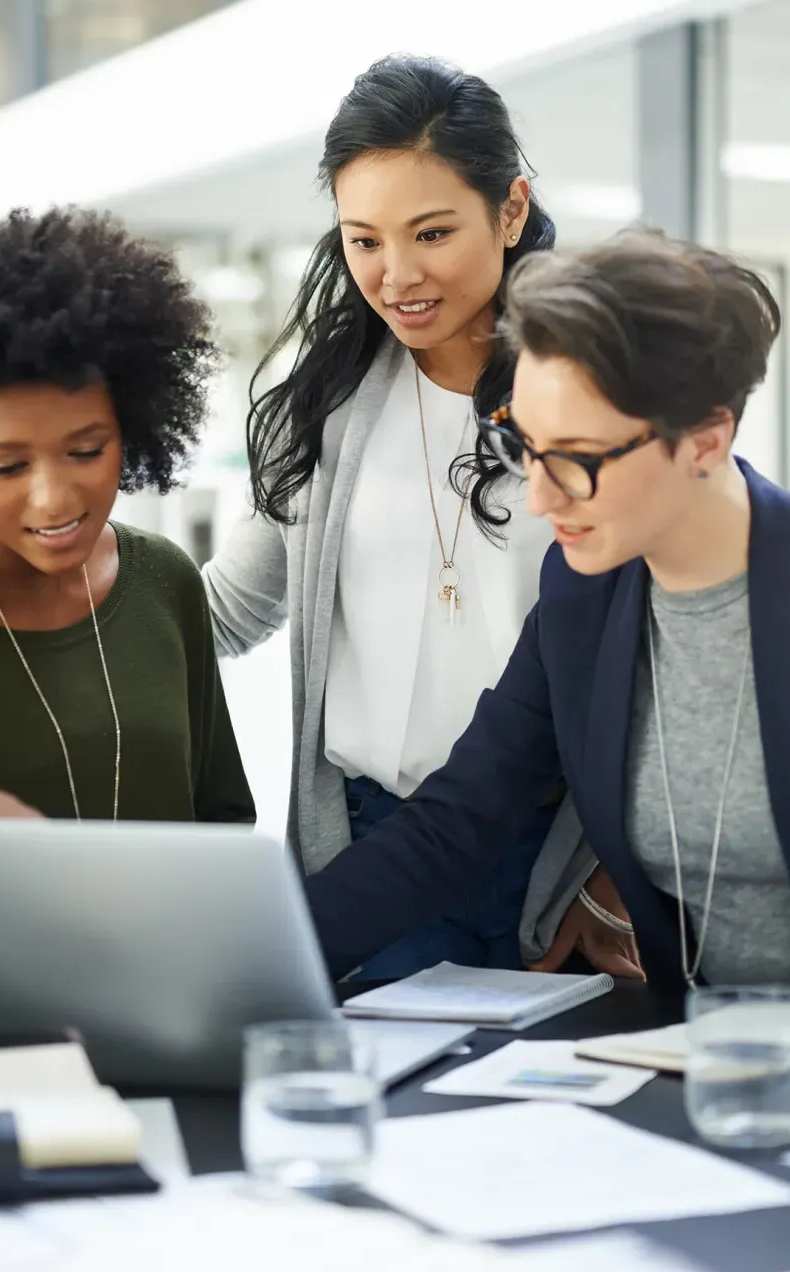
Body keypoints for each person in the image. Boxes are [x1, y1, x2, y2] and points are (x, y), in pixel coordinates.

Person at [303, 228, 790, 1093]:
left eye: (574, 461)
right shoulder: (584, 599)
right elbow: (453, 826)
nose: (538, 496)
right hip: (717, 1080)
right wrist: (266, 959)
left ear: (705, 439)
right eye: (523, 447)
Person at [203, 55, 639, 979]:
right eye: (363, 241)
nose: (396, 275)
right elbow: (229, 611)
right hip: (370, 849)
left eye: (432, 232)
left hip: (557, 856)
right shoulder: (321, 406)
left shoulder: (595, 398)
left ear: (511, 211)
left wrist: (606, 876)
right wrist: (41, 579)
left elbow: (662, 649)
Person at [0, 206, 255, 830]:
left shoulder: (166, 581)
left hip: (171, 932)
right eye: (7, 466)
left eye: (86, 451)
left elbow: (223, 822)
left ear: (133, 429)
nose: (54, 500)